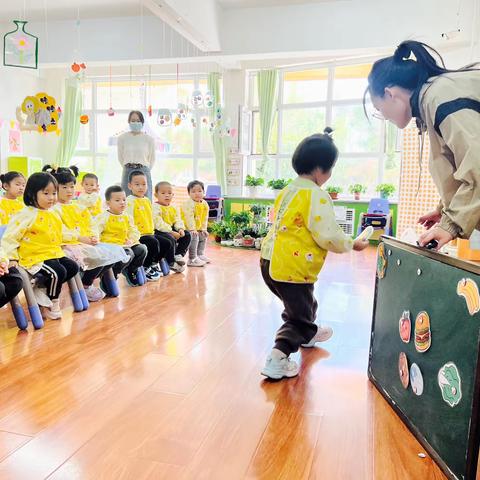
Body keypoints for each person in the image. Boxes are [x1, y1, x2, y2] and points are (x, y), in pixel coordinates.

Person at [260, 129, 369, 380]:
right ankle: (278, 357)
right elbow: (328, 233)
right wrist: (352, 244)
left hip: (269, 262)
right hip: (291, 267)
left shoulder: (288, 190)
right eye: (330, 170)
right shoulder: (316, 195)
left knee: (302, 303)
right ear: (320, 170)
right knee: (299, 316)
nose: (329, 176)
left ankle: (307, 333)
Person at [366, 40, 480, 250]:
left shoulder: (440, 97)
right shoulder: (433, 98)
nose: (383, 116)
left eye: (378, 108)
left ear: (389, 94)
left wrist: (450, 224)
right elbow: (462, 164)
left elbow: (477, 165)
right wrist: (444, 209)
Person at [1, 172, 79, 320]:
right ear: (31, 194)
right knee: (58, 272)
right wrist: (11, 257)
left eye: (54, 193)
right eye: (46, 193)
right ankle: (51, 302)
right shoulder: (26, 214)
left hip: (52, 253)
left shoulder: (53, 213)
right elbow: (10, 237)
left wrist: (78, 237)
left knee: (72, 267)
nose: (51, 197)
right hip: (33, 256)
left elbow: (61, 233)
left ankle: (41, 289)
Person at [48, 165, 129, 302]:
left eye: (72, 186)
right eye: (64, 187)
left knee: (114, 253)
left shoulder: (80, 207)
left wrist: (93, 236)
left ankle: (86, 282)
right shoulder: (53, 209)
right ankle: (85, 284)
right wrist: (80, 238)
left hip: (85, 242)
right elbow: (60, 231)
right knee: (96, 254)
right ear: (55, 188)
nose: (69, 190)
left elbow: (92, 225)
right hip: (67, 244)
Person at [94, 185, 147, 287]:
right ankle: (111, 274)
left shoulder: (127, 216)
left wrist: (131, 239)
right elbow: (95, 229)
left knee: (142, 249)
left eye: (123, 199)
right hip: (111, 246)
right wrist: (95, 238)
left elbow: (134, 230)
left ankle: (131, 270)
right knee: (128, 253)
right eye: (118, 200)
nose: (122, 202)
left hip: (126, 244)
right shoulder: (103, 217)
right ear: (108, 203)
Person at [126, 170, 163, 281]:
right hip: (138, 235)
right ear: (130, 186)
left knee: (165, 242)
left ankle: (153, 263)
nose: (141, 187)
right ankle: (146, 267)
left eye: (144, 184)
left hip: (149, 232)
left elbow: (150, 217)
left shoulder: (147, 200)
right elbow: (129, 220)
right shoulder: (129, 201)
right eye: (137, 184)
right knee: (153, 242)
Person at [117, 111, 155, 200]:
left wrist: (145, 169)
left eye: (138, 120)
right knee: (126, 198)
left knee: (146, 198)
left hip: (143, 170)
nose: (135, 123)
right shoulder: (122, 138)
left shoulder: (149, 139)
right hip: (127, 170)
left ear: (142, 122)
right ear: (129, 122)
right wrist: (128, 167)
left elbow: (152, 158)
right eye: (133, 120)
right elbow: (120, 157)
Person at [153, 181, 190, 271]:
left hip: (171, 228)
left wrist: (180, 229)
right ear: (156, 195)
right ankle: (171, 262)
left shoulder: (173, 207)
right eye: (163, 193)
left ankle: (178, 254)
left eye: (169, 193)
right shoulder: (155, 207)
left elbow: (177, 219)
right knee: (170, 239)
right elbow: (158, 223)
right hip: (159, 230)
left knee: (187, 234)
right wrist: (171, 232)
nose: (167, 195)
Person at [181, 180, 210, 267]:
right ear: (189, 193)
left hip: (198, 227)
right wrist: (192, 229)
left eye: (199, 191)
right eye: (193, 191)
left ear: (204, 192)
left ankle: (200, 254)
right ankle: (192, 258)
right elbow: (188, 217)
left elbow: (205, 217)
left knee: (203, 235)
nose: (197, 193)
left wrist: (203, 229)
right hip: (186, 227)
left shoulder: (204, 204)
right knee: (194, 235)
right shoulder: (188, 204)